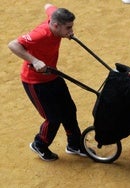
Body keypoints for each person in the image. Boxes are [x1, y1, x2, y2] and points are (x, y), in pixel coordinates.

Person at [8, 4, 87, 161]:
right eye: (68, 28)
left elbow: (48, 6)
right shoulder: (40, 35)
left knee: (69, 110)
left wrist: (64, 30)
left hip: (52, 76)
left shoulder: (56, 20)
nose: (71, 31)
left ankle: (75, 144)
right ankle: (39, 144)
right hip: (35, 82)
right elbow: (13, 45)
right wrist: (34, 60)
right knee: (53, 118)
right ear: (56, 25)